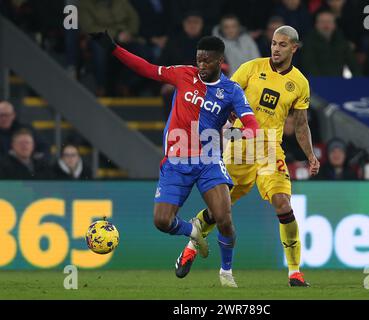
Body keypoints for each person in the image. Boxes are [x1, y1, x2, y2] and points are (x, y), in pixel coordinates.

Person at [89, 31, 260, 287]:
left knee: (224, 218)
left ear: (219, 61)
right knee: (161, 221)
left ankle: (226, 273)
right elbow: (146, 68)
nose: (201, 65)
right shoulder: (183, 74)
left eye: (207, 61)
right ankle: (193, 231)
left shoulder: (231, 90)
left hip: (208, 161)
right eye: (198, 60)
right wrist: (114, 49)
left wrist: (235, 133)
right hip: (176, 162)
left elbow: (252, 125)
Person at [175, 26, 320, 287]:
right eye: (274, 43)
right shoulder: (251, 68)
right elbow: (221, 94)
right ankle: (190, 247)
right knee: (219, 209)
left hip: (269, 148)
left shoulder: (300, 83)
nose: (276, 48)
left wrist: (310, 155)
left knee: (283, 204)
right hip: (239, 143)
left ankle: (295, 272)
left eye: (282, 44)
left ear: (294, 48)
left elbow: (300, 124)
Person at [301, 9, 361, 76]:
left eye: (329, 22)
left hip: (338, 82)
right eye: (322, 22)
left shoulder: (342, 42)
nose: (326, 25)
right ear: (316, 25)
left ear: (334, 25)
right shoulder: (308, 43)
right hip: (316, 83)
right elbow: (309, 66)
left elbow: (353, 64)